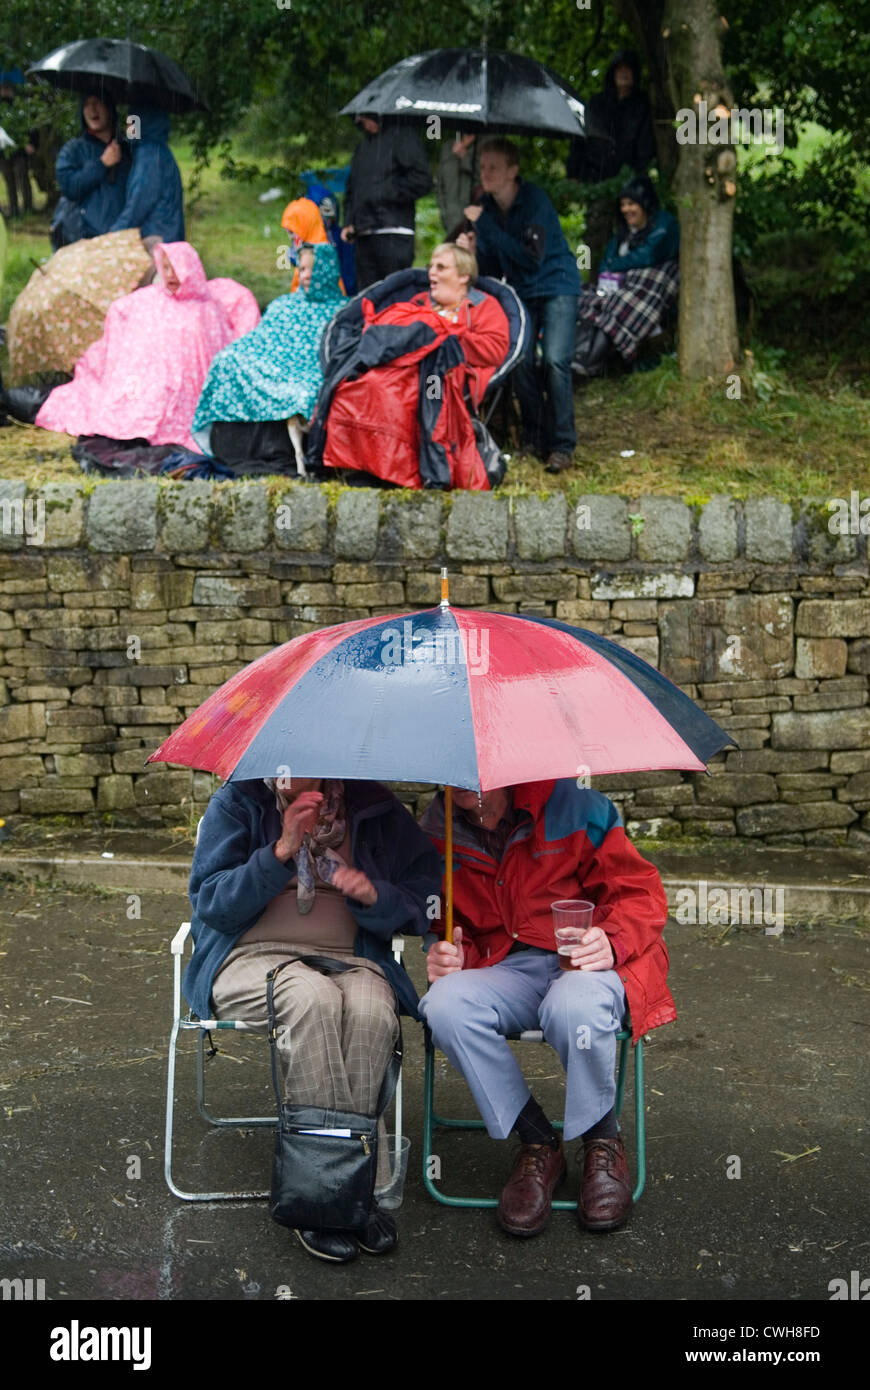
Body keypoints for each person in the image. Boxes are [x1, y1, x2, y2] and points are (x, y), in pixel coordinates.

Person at [187, 774, 441, 1264]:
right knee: (312, 998)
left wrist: (373, 895)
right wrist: (278, 851)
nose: (285, 771)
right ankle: (323, 1196)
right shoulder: (236, 804)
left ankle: (351, 1188)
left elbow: (425, 900)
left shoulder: (376, 809)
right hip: (247, 957)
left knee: (371, 1010)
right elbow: (211, 904)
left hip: (352, 956)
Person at [417, 778, 674, 1237]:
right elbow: (446, 926)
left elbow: (640, 895)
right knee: (444, 1005)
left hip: (583, 964)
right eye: (454, 770)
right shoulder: (438, 831)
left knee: (572, 1007)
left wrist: (610, 941)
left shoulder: (577, 808)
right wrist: (449, 953)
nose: (463, 779)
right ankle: (538, 1142)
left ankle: (601, 1140)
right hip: (506, 970)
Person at [308, 241, 511, 490]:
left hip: (439, 378)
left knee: (414, 395)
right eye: (431, 266)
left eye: (441, 267)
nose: (431, 273)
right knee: (361, 385)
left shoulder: (484, 307)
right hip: (395, 369)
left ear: (463, 276)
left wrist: (443, 336)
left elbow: (495, 349)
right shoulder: (418, 301)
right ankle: (361, 463)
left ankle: (408, 471)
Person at [26, 242, 256, 450]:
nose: (170, 274)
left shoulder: (207, 310)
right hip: (142, 380)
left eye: (175, 268)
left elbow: (210, 354)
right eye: (164, 268)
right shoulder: (152, 299)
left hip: (183, 392)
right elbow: (124, 315)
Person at [465, 138, 581, 475]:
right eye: (483, 166)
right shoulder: (484, 208)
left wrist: (484, 226)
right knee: (520, 361)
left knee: (556, 360)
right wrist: (473, 247)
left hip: (556, 284)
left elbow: (531, 258)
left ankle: (562, 445)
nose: (485, 174)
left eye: (494, 168)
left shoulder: (534, 201)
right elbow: (490, 269)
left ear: (513, 172)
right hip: (521, 292)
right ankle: (533, 436)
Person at [192, 243, 346, 472]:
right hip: (272, 366)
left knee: (303, 391)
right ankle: (230, 447)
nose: (306, 275)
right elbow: (259, 339)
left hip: (309, 371)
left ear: (327, 270)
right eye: (302, 269)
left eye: (312, 269)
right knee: (226, 362)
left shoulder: (343, 311)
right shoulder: (283, 304)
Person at [573, 175, 679, 378]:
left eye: (631, 204)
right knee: (587, 298)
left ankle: (588, 361)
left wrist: (615, 266)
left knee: (618, 305)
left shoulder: (665, 224)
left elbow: (648, 256)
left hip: (649, 287)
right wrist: (610, 270)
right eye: (623, 205)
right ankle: (580, 357)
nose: (626, 210)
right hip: (619, 286)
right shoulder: (623, 231)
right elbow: (607, 262)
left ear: (644, 203)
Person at [567, 50, 657, 278]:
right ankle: (597, 280)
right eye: (620, 68)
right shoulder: (596, 103)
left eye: (629, 69)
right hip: (597, 177)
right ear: (612, 72)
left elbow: (646, 143)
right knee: (597, 235)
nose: (624, 74)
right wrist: (574, 174)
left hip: (630, 181)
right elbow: (580, 140)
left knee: (630, 235)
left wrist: (638, 174)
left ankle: (627, 281)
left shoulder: (642, 105)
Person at [341, 114, 432, 290]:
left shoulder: (405, 138)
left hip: (394, 231)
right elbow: (352, 188)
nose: (362, 123)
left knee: (395, 295)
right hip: (364, 232)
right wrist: (348, 221)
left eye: (364, 118)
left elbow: (422, 181)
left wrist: (386, 192)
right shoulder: (363, 147)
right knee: (367, 298)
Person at [50, 93, 130, 249]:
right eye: (86, 104)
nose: (92, 109)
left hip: (124, 237)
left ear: (109, 109)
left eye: (98, 102)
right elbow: (70, 188)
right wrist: (101, 164)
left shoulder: (128, 150)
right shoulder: (73, 150)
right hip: (86, 239)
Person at [108, 104, 184, 242]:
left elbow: (140, 202)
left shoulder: (149, 154)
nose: (127, 128)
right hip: (169, 235)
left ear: (142, 123)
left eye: (131, 122)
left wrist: (112, 235)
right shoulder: (160, 150)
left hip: (156, 239)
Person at [437, 131, 479, 236]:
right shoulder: (447, 148)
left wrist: (465, 157)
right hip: (451, 216)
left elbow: (485, 179)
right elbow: (440, 184)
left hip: (474, 216)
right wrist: (444, 212)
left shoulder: (484, 147)